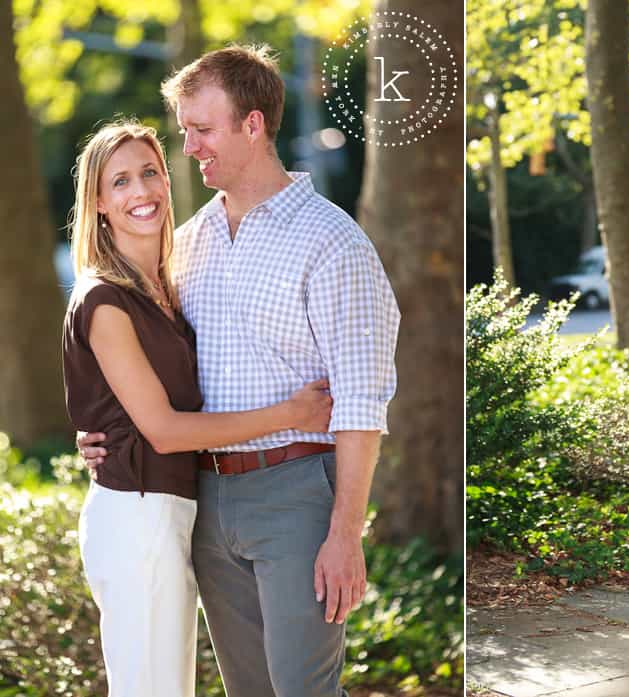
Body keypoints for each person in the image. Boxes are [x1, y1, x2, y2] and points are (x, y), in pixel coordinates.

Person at [79, 45, 400, 696]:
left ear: (252, 126)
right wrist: (100, 431)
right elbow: (151, 375)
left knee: (303, 689)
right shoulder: (190, 242)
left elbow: (364, 402)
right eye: (186, 131)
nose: (189, 147)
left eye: (202, 128)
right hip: (205, 498)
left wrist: (346, 533)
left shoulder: (332, 242)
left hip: (296, 495)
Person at [63, 120, 333, 697]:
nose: (142, 192)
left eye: (150, 172)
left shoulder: (166, 281)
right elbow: (161, 430)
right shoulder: (105, 299)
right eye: (120, 182)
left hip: (172, 513)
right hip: (138, 514)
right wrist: (291, 413)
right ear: (100, 204)